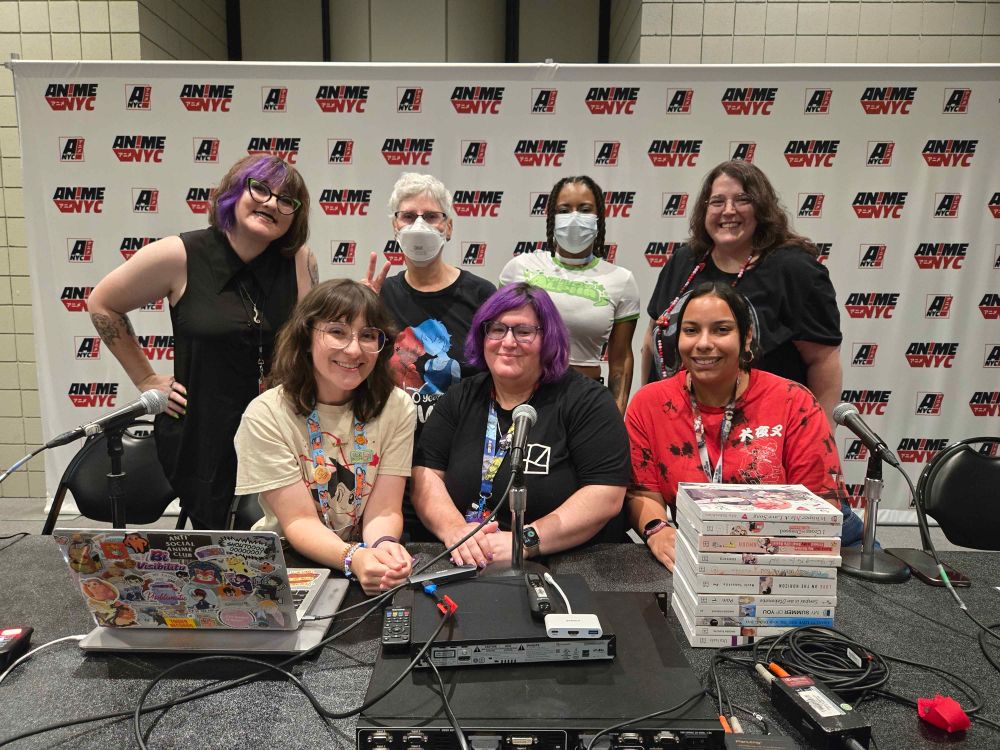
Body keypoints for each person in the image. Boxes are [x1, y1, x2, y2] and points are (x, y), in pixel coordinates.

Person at [88, 155, 317, 529]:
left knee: (285, 536)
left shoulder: (299, 261)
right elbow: (102, 304)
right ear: (233, 192)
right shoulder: (180, 254)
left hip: (279, 429)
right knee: (217, 552)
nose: (271, 203)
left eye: (286, 200)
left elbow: (309, 340)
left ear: (295, 216)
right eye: (259, 188)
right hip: (203, 432)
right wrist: (146, 380)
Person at [626, 282, 862, 572]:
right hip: (705, 550)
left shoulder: (792, 401)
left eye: (721, 330)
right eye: (691, 330)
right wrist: (657, 530)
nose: (703, 343)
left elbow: (820, 506)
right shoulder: (650, 403)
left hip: (810, 549)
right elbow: (642, 492)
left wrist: (746, 555)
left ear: (746, 337)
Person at [412, 283, 630, 568]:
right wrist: (455, 530)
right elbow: (425, 475)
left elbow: (606, 494)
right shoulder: (460, 397)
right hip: (467, 557)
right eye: (497, 329)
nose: (508, 342)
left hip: (566, 563)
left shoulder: (587, 401)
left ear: (548, 339)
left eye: (524, 332)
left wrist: (525, 539)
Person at [234, 280, 416, 595]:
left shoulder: (397, 406)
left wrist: (385, 546)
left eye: (368, 335)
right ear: (306, 337)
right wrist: (353, 558)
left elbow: (385, 509)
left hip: (366, 556)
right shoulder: (266, 414)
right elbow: (299, 522)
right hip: (289, 560)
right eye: (338, 332)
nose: (354, 349)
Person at [640, 160, 842, 425]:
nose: (728, 211)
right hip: (676, 428)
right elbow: (650, 340)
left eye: (742, 199)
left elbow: (823, 361)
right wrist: (646, 413)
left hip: (761, 432)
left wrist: (821, 441)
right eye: (717, 202)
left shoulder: (795, 270)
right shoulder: (684, 261)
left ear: (762, 208)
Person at [367, 173, 496, 539]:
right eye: (408, 216)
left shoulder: (481, 295)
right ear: (395, 224)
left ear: (449, 227)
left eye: (432, 216)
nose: (419, 225)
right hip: (391, 462)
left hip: (460, 461)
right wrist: (356, 312)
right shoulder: (378, 296)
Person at [499, 176, 639, 415]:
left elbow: (621, 358)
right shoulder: (519, 268)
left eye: (585, 209)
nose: (574, 217)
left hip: (586, 402)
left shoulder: (621, 280)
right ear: (552, 218)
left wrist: (616, 413)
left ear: (598, 218)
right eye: (564, 210)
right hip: (524, 397)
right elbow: (498, 337)